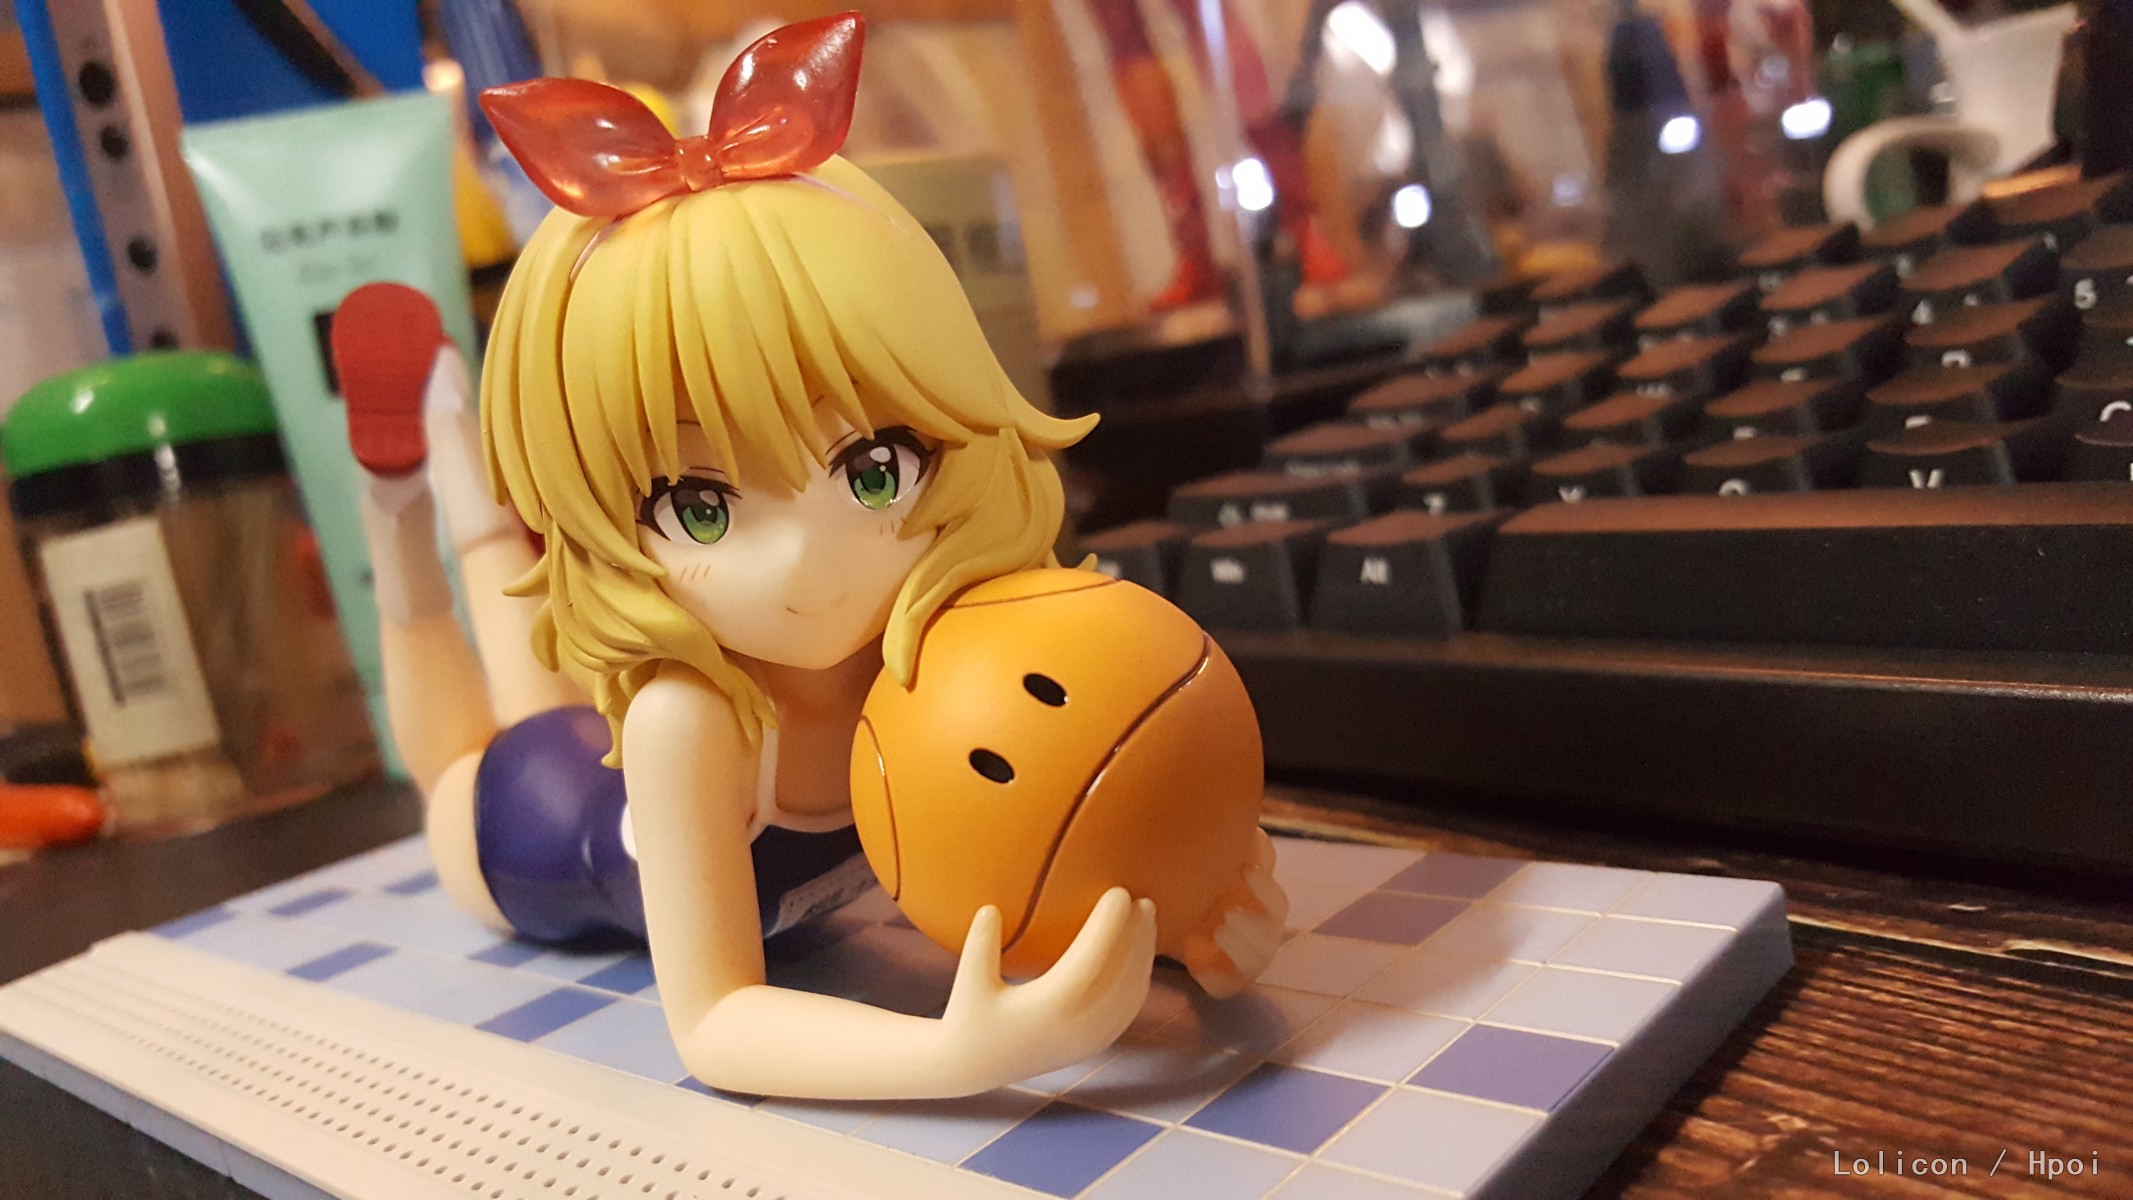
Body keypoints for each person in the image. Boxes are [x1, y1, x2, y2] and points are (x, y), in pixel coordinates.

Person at [331, 14, 1284, 1101]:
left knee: (536, 660)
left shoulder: (943, 634)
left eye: (873, 469)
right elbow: (712, 1024)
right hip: (542, 828)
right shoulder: (689, 724)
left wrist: (1188, 917)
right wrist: (957, 1055)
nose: (802, 561)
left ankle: (453, 439)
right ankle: (404, 497)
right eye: (698, 508)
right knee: (470, 754)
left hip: (625, 736)